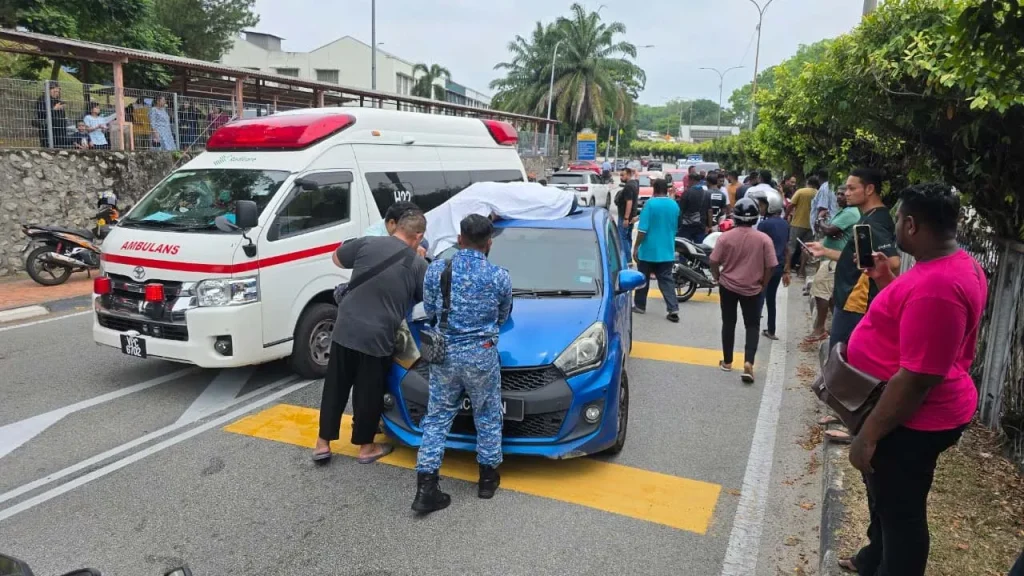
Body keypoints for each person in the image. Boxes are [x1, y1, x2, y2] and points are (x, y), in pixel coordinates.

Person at [836, 183, 987, 576]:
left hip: (914, 420)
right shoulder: (947, 264)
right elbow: (912, 325)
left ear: (913, 225)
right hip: (904, 410)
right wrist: (885, 279)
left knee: (902, 514)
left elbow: (919, 376)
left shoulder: (937, 287)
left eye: (900, 219)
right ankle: (874, 557)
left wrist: (868, 436)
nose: (898, 225)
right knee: (886, 498)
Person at [412, 214, 513, 513]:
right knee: (487, 413)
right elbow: (503, 315)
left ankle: (426, 486)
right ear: (489, 243)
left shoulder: (437, 271)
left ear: (460, 239)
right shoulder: (499, 276)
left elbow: (430, 309)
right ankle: (486, 480)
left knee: (438, 417)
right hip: (481, 354)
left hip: (444, 354)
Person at [313, 209, 429, 464]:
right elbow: (423, 298)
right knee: (368, 390)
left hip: (345, 327)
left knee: (335, 386)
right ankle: (366, 447)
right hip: (377, 336)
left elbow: (336, 258)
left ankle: (322, 444)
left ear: (396, 226)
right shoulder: (417, 263)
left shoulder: (368, 242)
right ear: (418, 236)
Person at [806, 167, 900, 350]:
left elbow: (894, 262)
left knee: (840, 359)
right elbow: (857, 257)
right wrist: (824, 251)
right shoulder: (869, 217)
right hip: (848, 300)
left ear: (869, 189)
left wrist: (874, 268)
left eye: (851, 188)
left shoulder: (874, 223)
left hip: (855, 303)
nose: (846, 193)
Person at [709, 197, 778, 384]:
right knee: (752, 325)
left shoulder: (725, 237)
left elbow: (713, 261)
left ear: (735, 217)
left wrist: (717, 276)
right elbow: (771, 265)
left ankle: (728, 362)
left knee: (729, 322)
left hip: (728, 286)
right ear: (756, 218)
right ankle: (748, 362)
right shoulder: (764, 239)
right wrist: (764, 283)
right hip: (753, 288)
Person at [806, 186, 858, 343]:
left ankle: (819, 328)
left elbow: (829, 230)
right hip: (832, 258)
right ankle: (835, 327)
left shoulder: (851, 213)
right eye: (839, 194)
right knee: (832, 295)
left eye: (843, 194)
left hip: (834, 260)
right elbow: (829, 231)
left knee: (821, 290)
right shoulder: (843, 212)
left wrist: (821, 220)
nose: (840, 197)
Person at [632, 179, 681, 323]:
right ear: (666, 189)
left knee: (642, 279)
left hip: (648, 251)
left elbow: (642, 230)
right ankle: (673, 309)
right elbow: (675, 227)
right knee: (666, 281)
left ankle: (640, 306)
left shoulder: (650, 204)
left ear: (654, 189)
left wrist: (636, 247)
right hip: (667, 250)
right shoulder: (674, 205)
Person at [753, 189, 790, 340]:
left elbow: (758, 248)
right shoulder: (785, 224)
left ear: (770, 206)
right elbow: (787, 248)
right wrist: (786, 270)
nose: (760, 209)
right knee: (771, 298)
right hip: (779, 266)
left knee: (759, 297)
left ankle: (753, 327)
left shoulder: (764, 225)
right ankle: (771, 330)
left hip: (765, 267)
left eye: (762, 206)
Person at [786, 176, 819, 276]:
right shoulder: (818, 193)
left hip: (797, 223)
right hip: (811, 226)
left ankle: (787, 268)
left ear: (807, 182)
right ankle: (801, 270)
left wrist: (786, 216)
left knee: (791, 247)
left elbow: (791, 205)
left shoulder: (801, 191)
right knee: (806, 248)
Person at [615, 167, 640, 263]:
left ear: (629, 175)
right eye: (620, 175)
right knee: (628, 237)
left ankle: (627, 259)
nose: (621, 177)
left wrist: (625, 218)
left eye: (623, 175)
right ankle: (628, 258)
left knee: (622, 237)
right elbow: (637, 178)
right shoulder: (635, 183)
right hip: (632, 216)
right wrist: (636, 173)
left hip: (626, 217)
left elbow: (629, 202)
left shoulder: (628, 187)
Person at [678, 174, 710, 244]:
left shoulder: (687, 193)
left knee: (684, 247)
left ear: (691, 180)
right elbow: (709, 211)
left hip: (687, 226)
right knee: (699, 248)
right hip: (701, 226)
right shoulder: (707, 193)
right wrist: (709, 226)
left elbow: (680, 210)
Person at [35, 84, 69, 149]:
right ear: (49, 90)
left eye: (58, 92)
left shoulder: (58, 101)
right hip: (47, 129)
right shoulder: (42, 99)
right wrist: (54, 109)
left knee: (61, 147)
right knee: (48, 147)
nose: (57, 93)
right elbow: (41, 113)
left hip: (60, 129)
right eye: (55, 91)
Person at [811, 169, 838, 237]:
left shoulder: (824, 188)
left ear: (818, 177)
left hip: (825, 224)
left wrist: (817, 222)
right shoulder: (832, 186)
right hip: (833, 221)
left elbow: (823, 208)